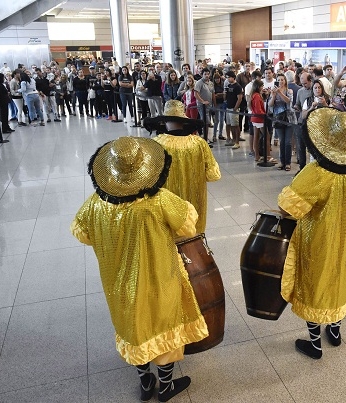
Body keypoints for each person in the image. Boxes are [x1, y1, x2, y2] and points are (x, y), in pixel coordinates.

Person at [71, 137, 208, 402]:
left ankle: (146, 383)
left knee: (134, 328)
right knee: (163, 325)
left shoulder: (96, 203)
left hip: (119, 284)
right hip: (159, 277)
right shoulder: (159, 200)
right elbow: (189, 226)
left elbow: (82, 234)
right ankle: (166, 387)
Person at [278, 108, 346, 359]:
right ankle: (334, 329)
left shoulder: (318, 173)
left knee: (316, 284)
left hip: (319, 238)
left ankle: (314, 343)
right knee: (341, 279)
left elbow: (287, 207)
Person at [151, 100, 221, 234]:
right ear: (184, 120)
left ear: (164, 121)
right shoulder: (199, 143)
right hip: (194, 204)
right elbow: (214, 175)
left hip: (168, 207)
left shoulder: (156, 144)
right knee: (194, 238)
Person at [269, 73, 294, 171]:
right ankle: (282, 162)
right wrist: (274, 95)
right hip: (278, 119)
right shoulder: (273, 91)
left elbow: (288, 101)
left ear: (285, 81)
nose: (280, 82)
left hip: (289, 119)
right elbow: (271, 105)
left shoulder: (289, 91)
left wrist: (280, 93)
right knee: (282, 141)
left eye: (282, 80)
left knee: (287, 142)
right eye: (278, 80)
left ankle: (288, 163)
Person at [224, 70, 243, 149]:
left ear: (233, 77)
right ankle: (233, 139)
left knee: (235, 125)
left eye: (229, 77)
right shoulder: (229, 85)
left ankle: (237, 141)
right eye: (227, 77)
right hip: (228, 107)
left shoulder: (237, 86)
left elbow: (239, 98)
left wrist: (235, 107)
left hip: (234, 108)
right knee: (230, 124)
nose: (228, 79)